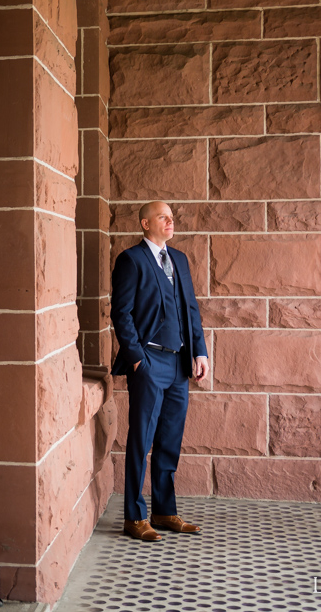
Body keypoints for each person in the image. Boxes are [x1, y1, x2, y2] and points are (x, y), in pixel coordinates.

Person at [110, 201, 209, 542]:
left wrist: (199, 351)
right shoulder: (131, 260)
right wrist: (137, 360)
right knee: (141, 439)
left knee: (169, 440)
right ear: (145, 223)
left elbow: (190, 309)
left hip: (179, 363)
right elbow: (120, 314)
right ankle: (134, 517)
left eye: (172, 217)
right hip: (149, 364)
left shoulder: (179, 259)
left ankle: (164, 511)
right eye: (163, 217)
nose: (171, 221)